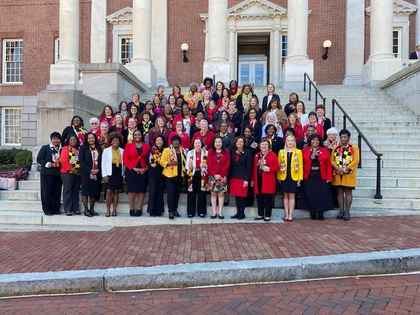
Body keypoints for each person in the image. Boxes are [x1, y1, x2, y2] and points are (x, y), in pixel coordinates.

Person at [302, 134, 334, 220]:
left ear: (320, 141)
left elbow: (328, 165)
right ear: (310, 141)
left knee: (321, 195)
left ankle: (320, 213)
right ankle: (312, 211)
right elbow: (303, 163)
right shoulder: (305, 150)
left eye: (317, 140)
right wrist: (311, 156)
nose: (315, 142)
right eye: (313, 140)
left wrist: (329, 177)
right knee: (311, 194)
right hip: (309, 175)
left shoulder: (325, 150)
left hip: (321, 175)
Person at [331, 129, 360, 221]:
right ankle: (341, 211)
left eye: (345, 137)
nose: (343, 139)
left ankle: (347, 211)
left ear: (348, 138)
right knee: (339, 192)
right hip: (338, 173)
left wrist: (346, 168)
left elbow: (356, 160)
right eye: (342, 137)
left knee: (348, 192)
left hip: (348, 173)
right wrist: (337, 168)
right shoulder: (336, 148)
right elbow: (332, 160)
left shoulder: (354, 148)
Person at [124, 130, 150, 217]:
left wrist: (145, 168)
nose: (137, 136)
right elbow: (125, 159)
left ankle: (139, 209)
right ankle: (132, 208)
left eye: (139, 134)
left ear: (141, 136)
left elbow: (149, 159)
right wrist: (133, 168)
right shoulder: (128, 146)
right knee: (132, 191)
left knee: (141, 191)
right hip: (131, 170)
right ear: (133, 136)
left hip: (143, 171)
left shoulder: (146, 146)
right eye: (135, 135)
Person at [277, 135, 303, 222]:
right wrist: (278, 177)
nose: (290, 142)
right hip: (284, 176)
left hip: (294, 176)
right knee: (285, 196)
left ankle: (291, 215)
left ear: (294, 142)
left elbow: (300, 166)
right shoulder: (281, 152)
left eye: (292, 140)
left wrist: (300, 178)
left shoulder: (298, 152)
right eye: (288, 140)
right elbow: (279, 165)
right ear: (286, 142)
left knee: (292, 195)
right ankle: (286, 214)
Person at [160, 135, 186, 219]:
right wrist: (169, 163)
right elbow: (161, 162)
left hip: (180, 175)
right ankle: (170, 211)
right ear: (171, 142)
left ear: (179, 142)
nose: (176, 142)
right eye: (174, 140)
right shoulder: (167, 150)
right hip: (169, 176)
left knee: (177, 194)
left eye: (177, 140)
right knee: (171, 194)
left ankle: (175, 210)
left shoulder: (183, 150)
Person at [252, 139, 279, 221]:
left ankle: (267, 215)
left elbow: (277, 167)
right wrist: (253, 180)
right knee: (259, 198)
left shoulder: (272, 155)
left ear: (268, 146)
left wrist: (269, 169)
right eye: (262, 145)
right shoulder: (257, 155)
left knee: (268, 199)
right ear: (259, 146)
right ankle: (260, 214)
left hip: (268, 181)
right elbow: (254, 168)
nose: (263, 146)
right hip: (258, 180)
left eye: (265, 145)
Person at [37, 132, 62, 216]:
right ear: (51, 140)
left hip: (58, 174)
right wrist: (48, 164)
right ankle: (47, 210)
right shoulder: (45, 148)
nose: (56, 140)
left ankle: (55, 209)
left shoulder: (61, 149)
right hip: (47, 174)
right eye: (54, 139)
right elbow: (39, 159)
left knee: (57, 192)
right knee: (47, 192)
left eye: (58, 139)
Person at [229, 137, 253, 220]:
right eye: (238, 142)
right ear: (235, 143)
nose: (239, 143)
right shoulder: (232, 152)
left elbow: (249, 167)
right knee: (237, 196)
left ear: (244, 143)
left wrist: (247, 179)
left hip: (243, 178)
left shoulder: (247, 152)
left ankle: (242, 213)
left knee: (242, 197)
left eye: (241, 142)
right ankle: (238, 212)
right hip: (234, 177)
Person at [101, 132, 124, 217]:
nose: (115, 142)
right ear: (111, 141)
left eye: (117, 140)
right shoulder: (106, 151)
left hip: (118, 172)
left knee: (116, 192)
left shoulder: (122, 151)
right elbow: (103, 163)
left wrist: (123, 175)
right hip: (110, 172)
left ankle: (114, 210)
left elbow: (123, 164)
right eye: (114, 140)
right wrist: (104, 175)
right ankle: (107, 210)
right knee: (109, 191)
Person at [207, 136, 231, 219]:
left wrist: (222, 175)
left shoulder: (226, 152)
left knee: (221, 194)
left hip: (222, 177)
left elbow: (227, 164)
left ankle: (220, 212)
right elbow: (209, 164)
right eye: (216, 142)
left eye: (219, 142)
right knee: (213, 194)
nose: (218, 143)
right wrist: (214, 174)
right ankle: (214, 212)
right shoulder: (210, 152)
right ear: (214, 143)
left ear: (222, 143)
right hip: (212, 176)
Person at [79, 132, 102, 217]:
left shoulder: (99, 148)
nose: (91, 139)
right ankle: (86, 210)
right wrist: (90, 170)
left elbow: (101, 160)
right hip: (86, 173)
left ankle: (92, 209)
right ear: (86, 139)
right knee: (85, 192)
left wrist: (98, 169)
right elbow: (81, 161)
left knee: (94, 191)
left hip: (97, 173)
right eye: (89, 138)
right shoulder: (83, 148)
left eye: (92, 138)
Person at [186, 138, 208, 218]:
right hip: (192, 174)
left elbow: (208, 164)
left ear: (201, 144)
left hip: (203, 174)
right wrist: (190, 169)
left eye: (199, 143)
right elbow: (187, 165)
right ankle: (190, 212)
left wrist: (204, 167)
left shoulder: (206, 152)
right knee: (191, 193)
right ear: (193, 144)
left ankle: (201, 212)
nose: (197, 145)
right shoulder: (190, 152)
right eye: (196, 143)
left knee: (202, 193)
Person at [59, 135, 81, 216]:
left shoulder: (78, 149)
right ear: (68, 141)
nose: (73, 141)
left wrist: (78, 170)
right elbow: (63, 160)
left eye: (75, 139)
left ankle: (75, 208)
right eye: (71, 139)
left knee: (75, 191)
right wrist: (71, 169)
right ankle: (68, 209)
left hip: (76, 173)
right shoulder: (65, 148)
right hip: (67, 172)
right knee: (67, 190)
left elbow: (78, 161)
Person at [147, 136, 166, 217]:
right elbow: (151, 161)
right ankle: (152, 210)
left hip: (162, 172)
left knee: (160, 191)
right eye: (157, 140)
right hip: (153, 172)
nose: (158, 141)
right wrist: (152, 163)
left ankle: (159, 211)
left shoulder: (166, 150)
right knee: (153, 191)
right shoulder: (152, 150)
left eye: (160, 140)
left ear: (163, 141)